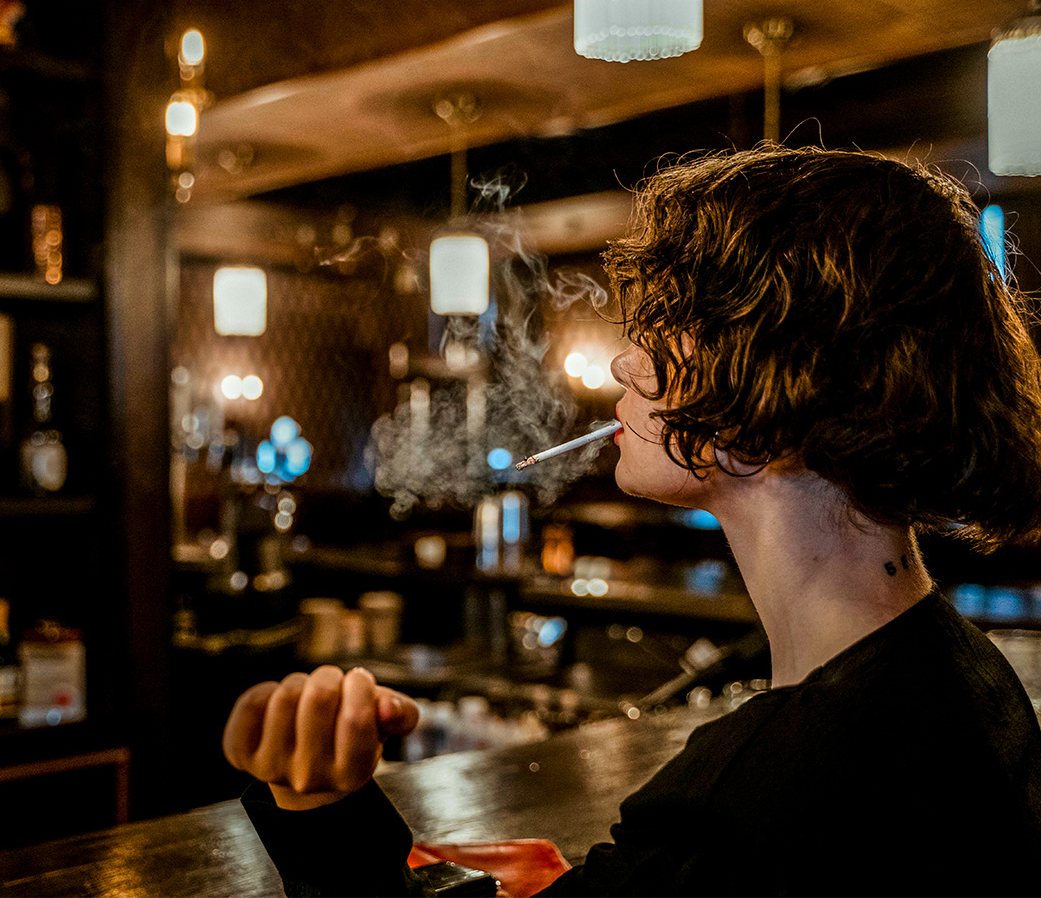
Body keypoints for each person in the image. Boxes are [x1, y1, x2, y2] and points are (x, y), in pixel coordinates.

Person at [222, 147, 1041, 895]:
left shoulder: (757, 792)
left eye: (668, 326)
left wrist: (323, 802)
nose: (622, 360)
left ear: (779, 380)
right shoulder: (965, 673)